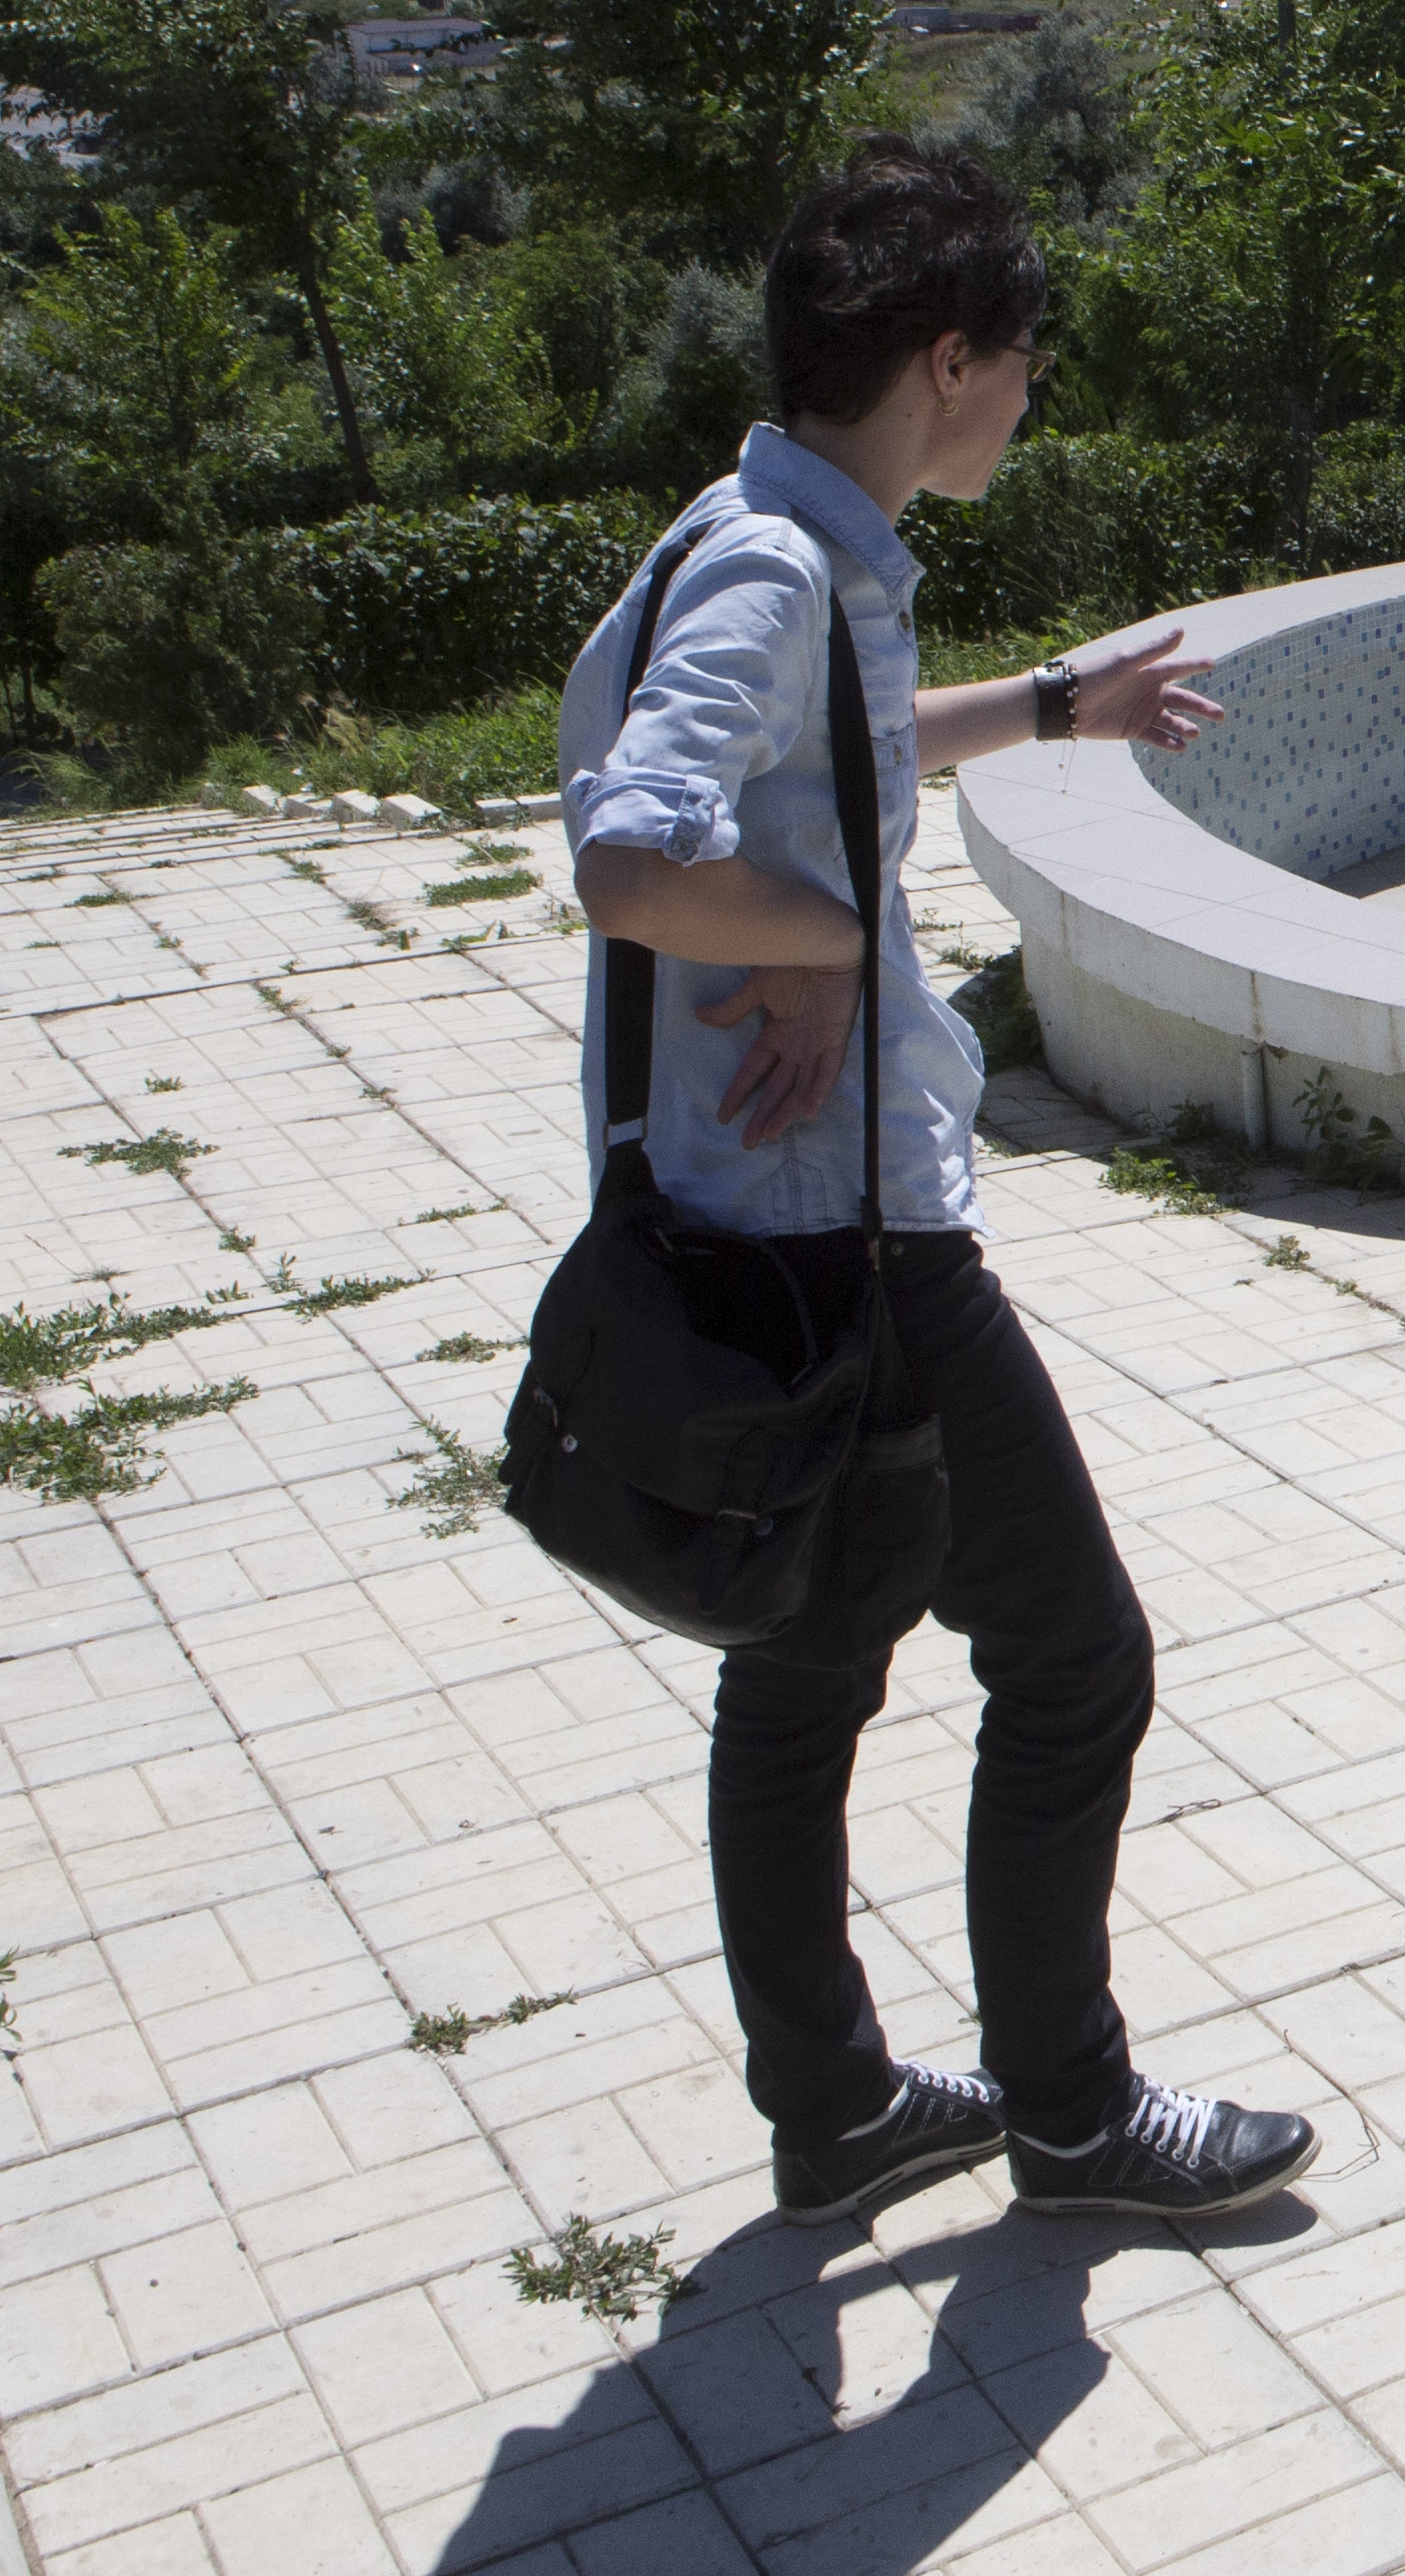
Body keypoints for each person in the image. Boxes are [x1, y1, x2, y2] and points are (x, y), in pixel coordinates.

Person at [556, 144, 1318, 2227]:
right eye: (1025, 362)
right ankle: (1072, 2115)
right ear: (950, 362)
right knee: (1075, 1660)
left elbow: (846, 741)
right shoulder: (776, 575)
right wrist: (823, 943)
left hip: (752, 1218)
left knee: (803, 1675)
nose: (1033, 395)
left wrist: (1060, 707)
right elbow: (633, 857)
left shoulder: (754, 534)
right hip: (858, 1242)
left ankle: (833, 2110)